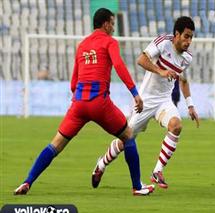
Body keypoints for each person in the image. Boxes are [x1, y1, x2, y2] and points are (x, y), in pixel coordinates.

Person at [14, 8, 154, 196]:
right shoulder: (110, 42)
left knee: (55, 144)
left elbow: (74, 82)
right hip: (100, 103)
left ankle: (27, 182)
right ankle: (137, 186)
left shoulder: (82, 45)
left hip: (79, 103)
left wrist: (80, 104)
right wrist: (135, 93)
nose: (113, 28)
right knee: (128, 136)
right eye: (112, 23)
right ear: (105, 24)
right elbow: (119, 66)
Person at [92, 16, 199, 189]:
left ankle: (157, 172)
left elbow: (183, 80)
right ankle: (102, 164)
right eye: (186, 36)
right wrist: (161, 71)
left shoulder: (187, 58)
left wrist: (190, 105)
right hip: (146, 100)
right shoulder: (163, 43)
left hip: (164, 101)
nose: (189, 41)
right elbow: (141, 60)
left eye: (191, 37)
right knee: (125, 139)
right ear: (177, 34)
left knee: (176, 126)